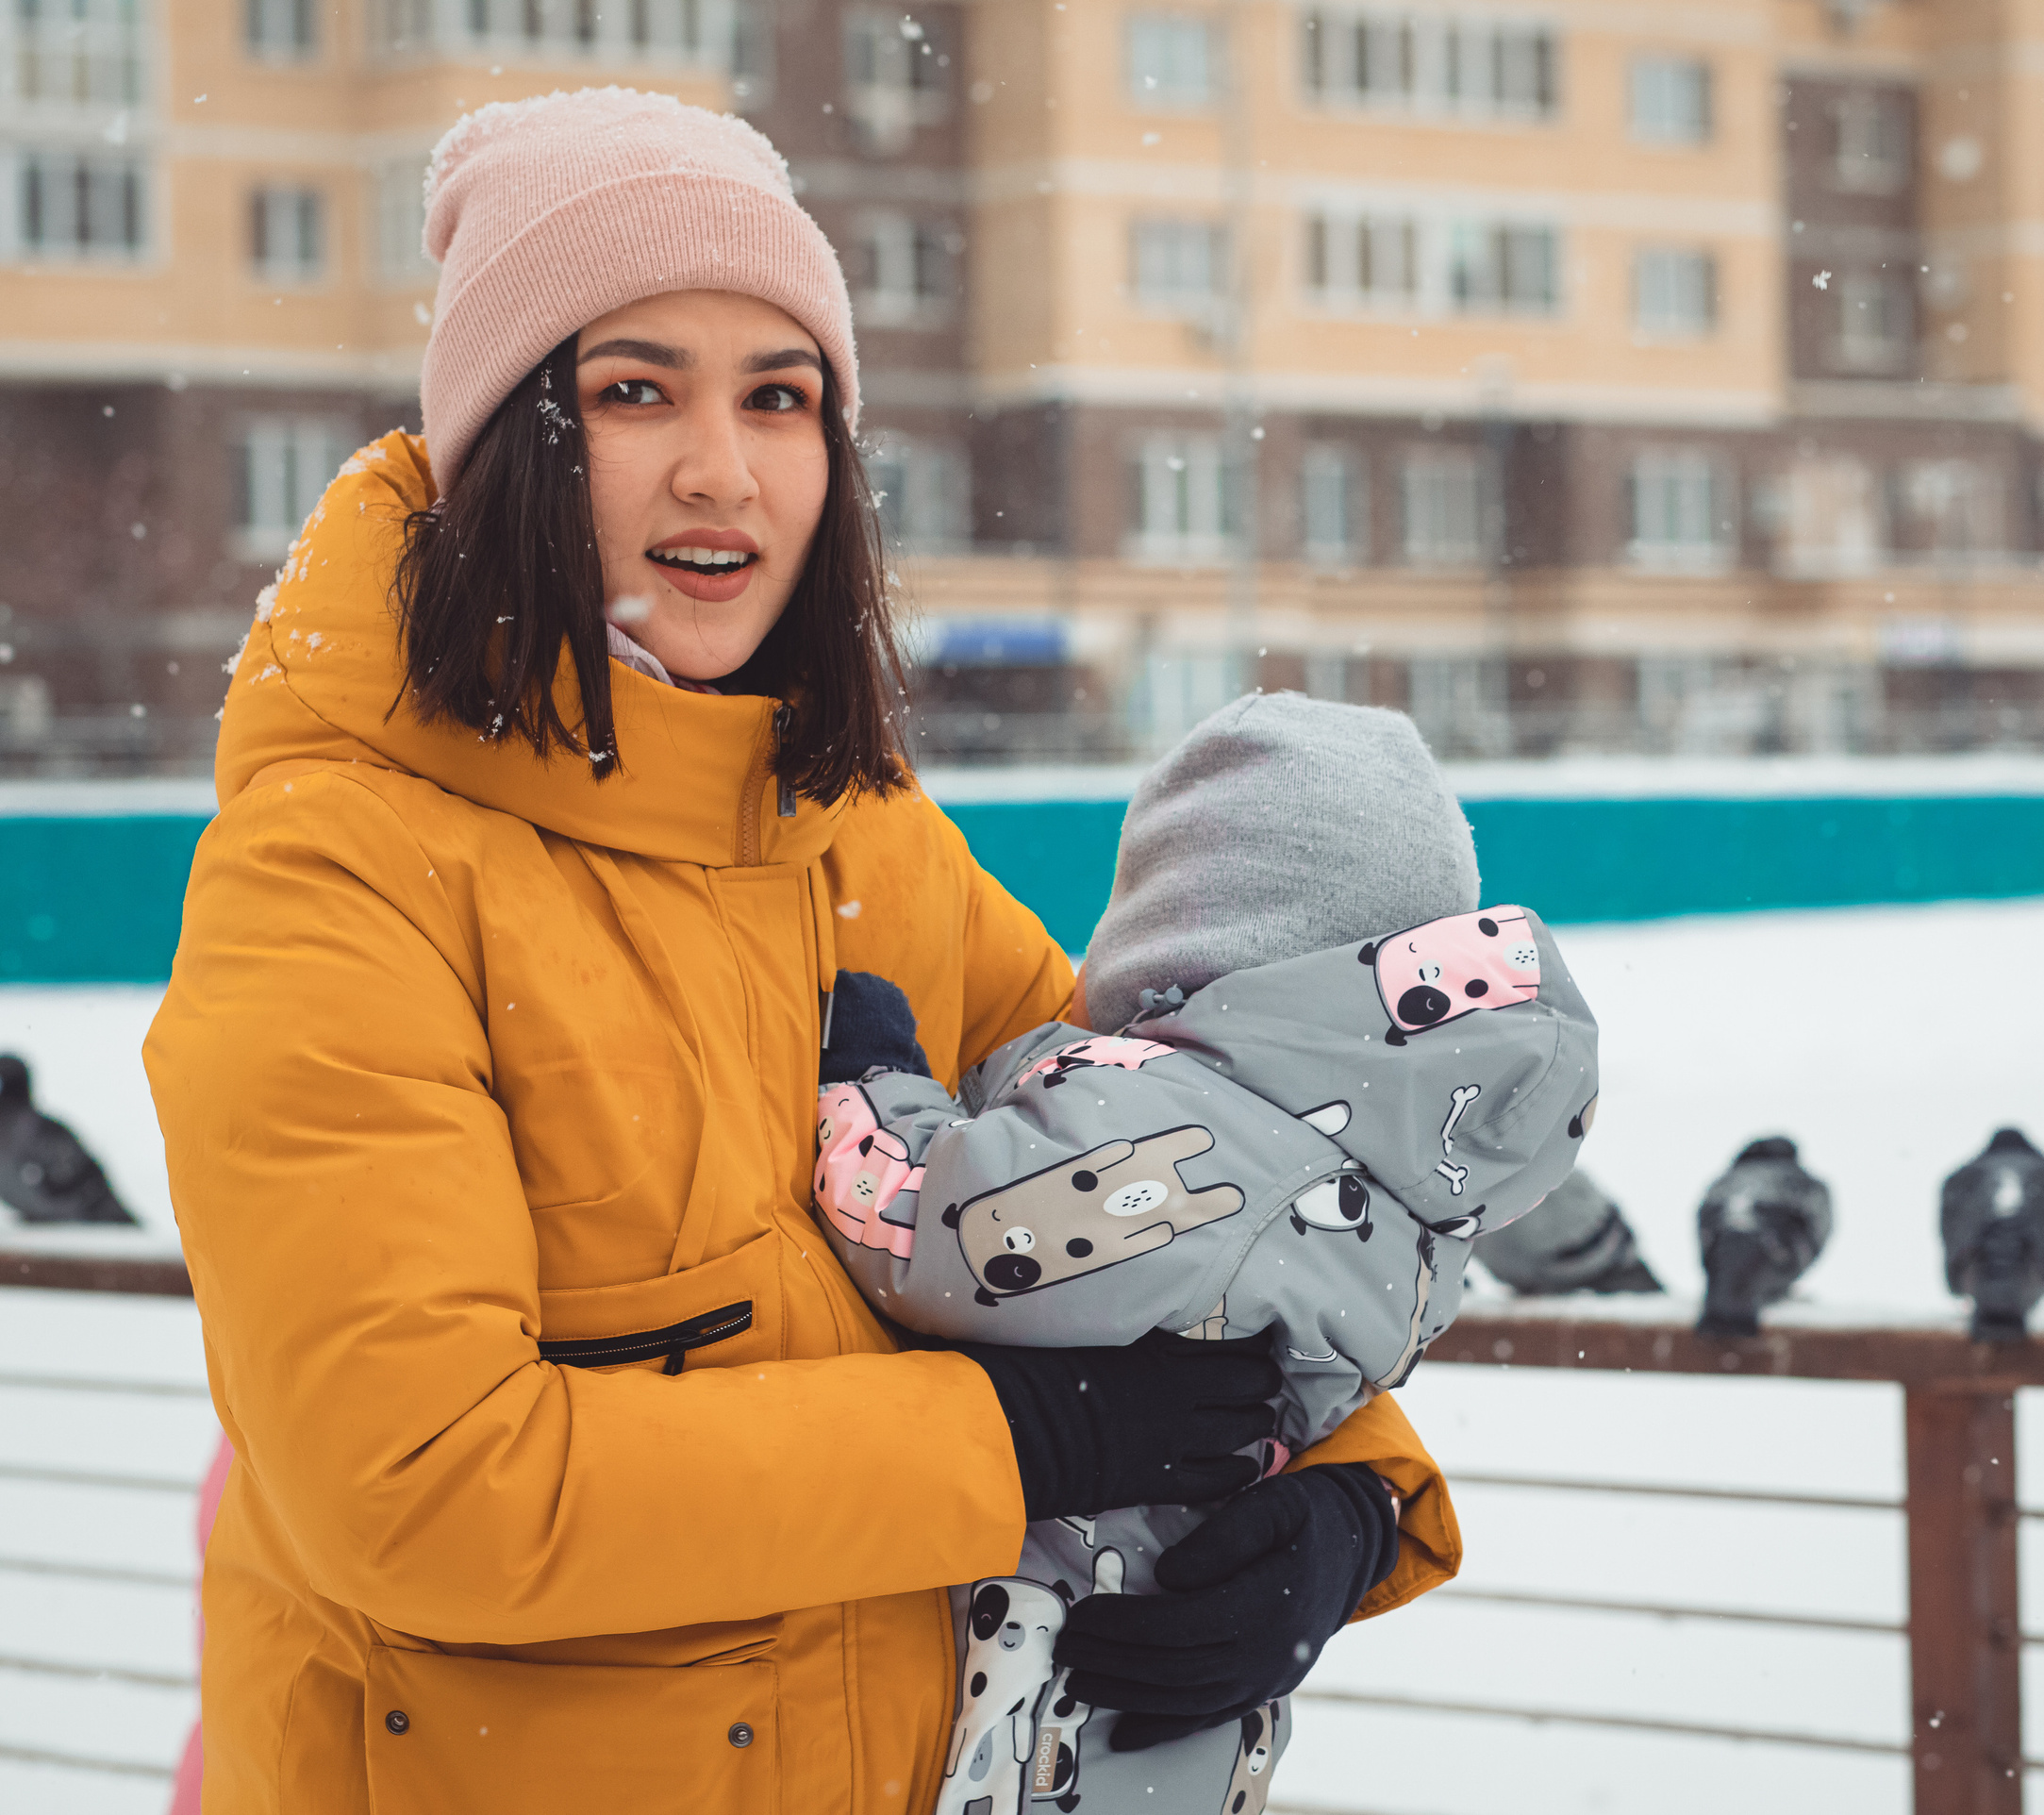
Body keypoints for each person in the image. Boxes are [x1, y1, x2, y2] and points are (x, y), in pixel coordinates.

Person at [141, 89, 1458, 1815]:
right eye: (633, 391)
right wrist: (1023, 1446)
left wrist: (1339, 1488)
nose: (723, 467)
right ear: (504, 445)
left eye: (782, 397)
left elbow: (1188, 1169)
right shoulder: (337, 870)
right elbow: (426, 1487)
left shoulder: (855, 830)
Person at [810, 693, 1601, 1813]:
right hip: (1175, 1674)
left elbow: (931, 1230)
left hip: (1039, 1645)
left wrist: (873, 1083)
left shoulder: (1188, 1136)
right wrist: (1360, 1501)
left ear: (1183, 937)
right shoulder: (1397, 1146)